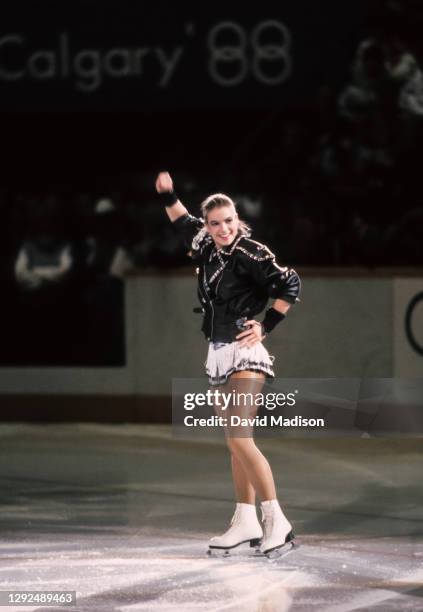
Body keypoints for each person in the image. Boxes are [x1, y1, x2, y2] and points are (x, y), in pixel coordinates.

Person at [155, 171, 301, 557]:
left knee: (239, 437)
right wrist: (169, 193)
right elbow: (182, 220)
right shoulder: (205, 244)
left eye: (229, 221)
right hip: (217, 351)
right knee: (233, 444)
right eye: (215, 223)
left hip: (245, 351)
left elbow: (290, 285)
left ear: (239, 220)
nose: (223, 229)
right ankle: (245, 520)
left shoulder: (251, 252)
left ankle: (276, 520)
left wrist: (265, 325)